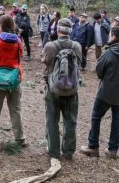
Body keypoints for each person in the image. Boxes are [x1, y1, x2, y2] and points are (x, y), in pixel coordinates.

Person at [80, 26, 119, 159]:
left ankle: (93, 147)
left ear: (114, 37)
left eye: (111, 35)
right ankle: (113, 150)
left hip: (105, 93)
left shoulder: (109, 53)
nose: (109, 37)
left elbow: (99, 72)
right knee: (116, 120)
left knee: (96, 117)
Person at [42, 18, 82, 160]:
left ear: (58, 30)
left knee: (52, 120)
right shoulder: (77, 46)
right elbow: (80, 63)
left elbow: (46, 63)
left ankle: (53, 151)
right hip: (72, 89)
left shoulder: (50, 46)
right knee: (70, 121)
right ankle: (68, 152)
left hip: (53, 89)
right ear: (70, 31)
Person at [0, 15, 25, 145]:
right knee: (15, 109)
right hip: (14, 79)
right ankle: (19, 138)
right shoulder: (18, 41)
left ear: (1, 26)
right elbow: (20, 56)